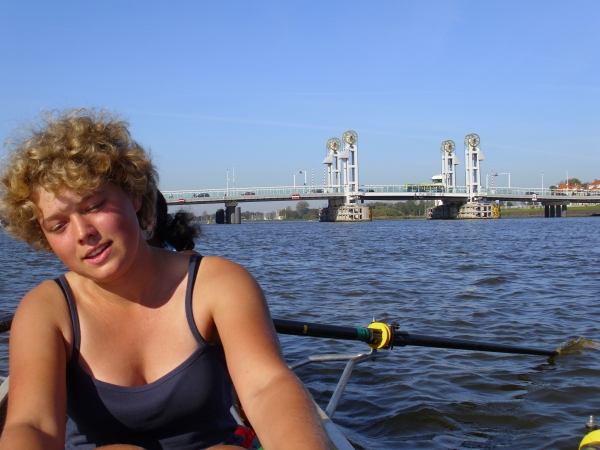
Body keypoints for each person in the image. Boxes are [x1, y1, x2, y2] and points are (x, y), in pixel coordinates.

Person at [0, 109, 330, 450]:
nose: (84, 233)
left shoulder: (218, 283)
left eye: (94, 205)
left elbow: (267, 386)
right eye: (58, 226)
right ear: (43, 237)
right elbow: (33, 425)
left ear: (134, 195)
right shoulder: (44, 311)